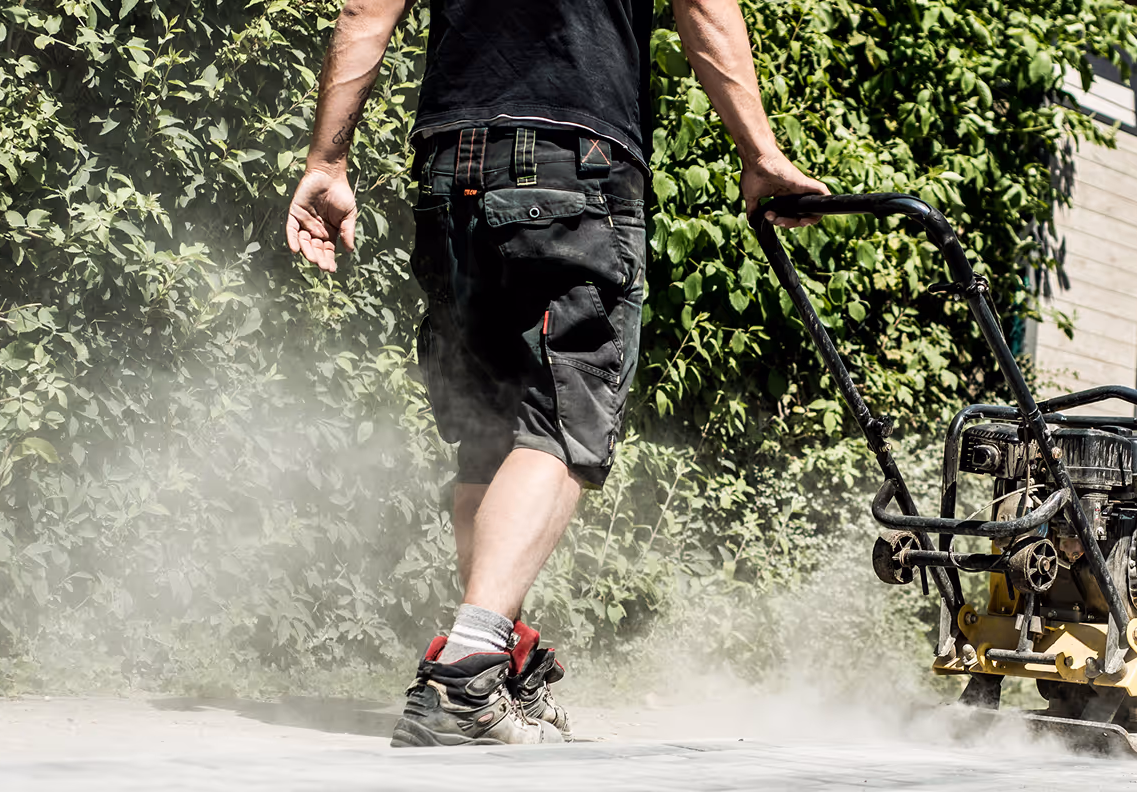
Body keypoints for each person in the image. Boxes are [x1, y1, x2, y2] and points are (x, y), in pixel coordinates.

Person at [283, 0, 825, 746]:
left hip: (450, 158)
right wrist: (759, 153)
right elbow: (704, 8)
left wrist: (327, 162)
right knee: (562, 423)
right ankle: (469, 674)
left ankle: (488, 663)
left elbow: (365, 7)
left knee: (489, 438)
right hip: (576, 160)